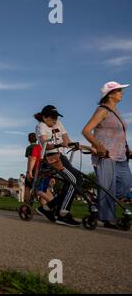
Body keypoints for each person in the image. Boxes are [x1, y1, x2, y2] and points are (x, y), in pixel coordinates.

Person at [82, 81, 132, 229]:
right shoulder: (102, 110)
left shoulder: (116, 111)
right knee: (107, 188)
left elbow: (120, 133)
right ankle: (108, 219)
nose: (121, 93)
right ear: (110, 94)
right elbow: (86, 131)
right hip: (106, 156)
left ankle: (100, 199)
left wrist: (127, 148)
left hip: (121, 155)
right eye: (118, 91)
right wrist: (98, 146)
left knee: (127, 184)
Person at [34, 105, 81, 226]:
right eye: (52, 117)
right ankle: (63, 214)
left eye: (56, 117)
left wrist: (77, 145)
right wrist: (60, 144)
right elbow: (46, 144)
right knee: (74, 180)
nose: (55, 119)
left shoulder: (59, 124)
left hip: (61, 156)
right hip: (51, 157)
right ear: (44, 117)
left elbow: (67, 140)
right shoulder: (41, 126)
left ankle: (47, 207)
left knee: (75, 181)